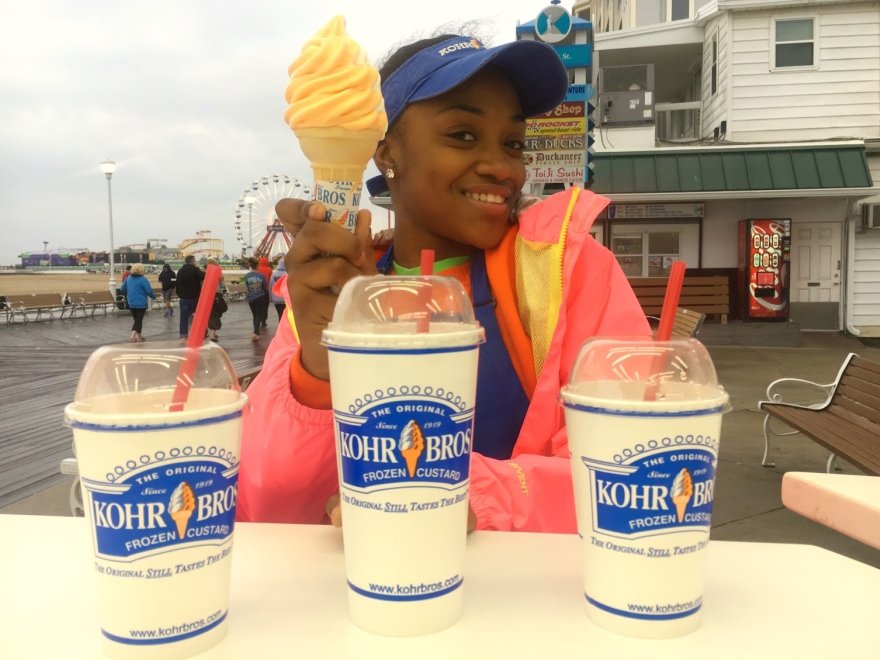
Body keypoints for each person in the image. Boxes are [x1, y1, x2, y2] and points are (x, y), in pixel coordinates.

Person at [237, 33, 650, 532]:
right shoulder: (335, 289)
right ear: (387, 153)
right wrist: (320, 369)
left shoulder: (568, 272)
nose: (502, 167)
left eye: (513, 143)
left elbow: (631, 472)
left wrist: (468, 494)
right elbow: (270, 506)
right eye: (463, 135)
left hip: (535, 600)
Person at [119, 263, 156, 342]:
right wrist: (154, 296)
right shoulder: (143, 279)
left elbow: (122, 288)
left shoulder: (128, 278)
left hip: (131, 302)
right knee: (138, 320)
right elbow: (149, 291)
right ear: (141, 270)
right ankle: (132, 336)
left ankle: (139, 336)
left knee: (137, 320)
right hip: (141, 303)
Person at [175, 255, 204, 339]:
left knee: (183, 317)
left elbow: (177, 284)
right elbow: (204, 276)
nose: (195, 261)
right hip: (194, 297)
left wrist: (180, 294)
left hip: (183, 298)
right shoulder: (195, 270)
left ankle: (183, 334)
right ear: (192, 261)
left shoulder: (181, 271)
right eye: (194, 260)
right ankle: (200, 333)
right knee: (198, 316)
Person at [243, 257, 269, 341]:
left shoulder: (247, 276)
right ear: (257, 265)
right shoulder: (261, 276)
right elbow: (265, 287)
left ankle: (256, 333)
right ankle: (256, 333)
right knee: (259, 316)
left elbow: (247, 286)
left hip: (251, 298)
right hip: (260, 297)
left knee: (255, 316)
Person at [206, 258, 227, 342]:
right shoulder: (218, 273)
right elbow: (222, 285)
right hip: (217, 295)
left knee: (212, 314)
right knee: (218, 313)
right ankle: (212, 334)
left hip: (208, 296)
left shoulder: (205, 273)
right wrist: (224, 289)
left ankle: (212, 333)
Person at [257, 257, 273, 329]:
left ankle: (259, 319)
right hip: (266, 290)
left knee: (259, 306)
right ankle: (264, 320)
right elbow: (270, 280)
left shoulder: (258, 269)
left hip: (258, 290)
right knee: (265, 307)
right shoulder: (269, 270)